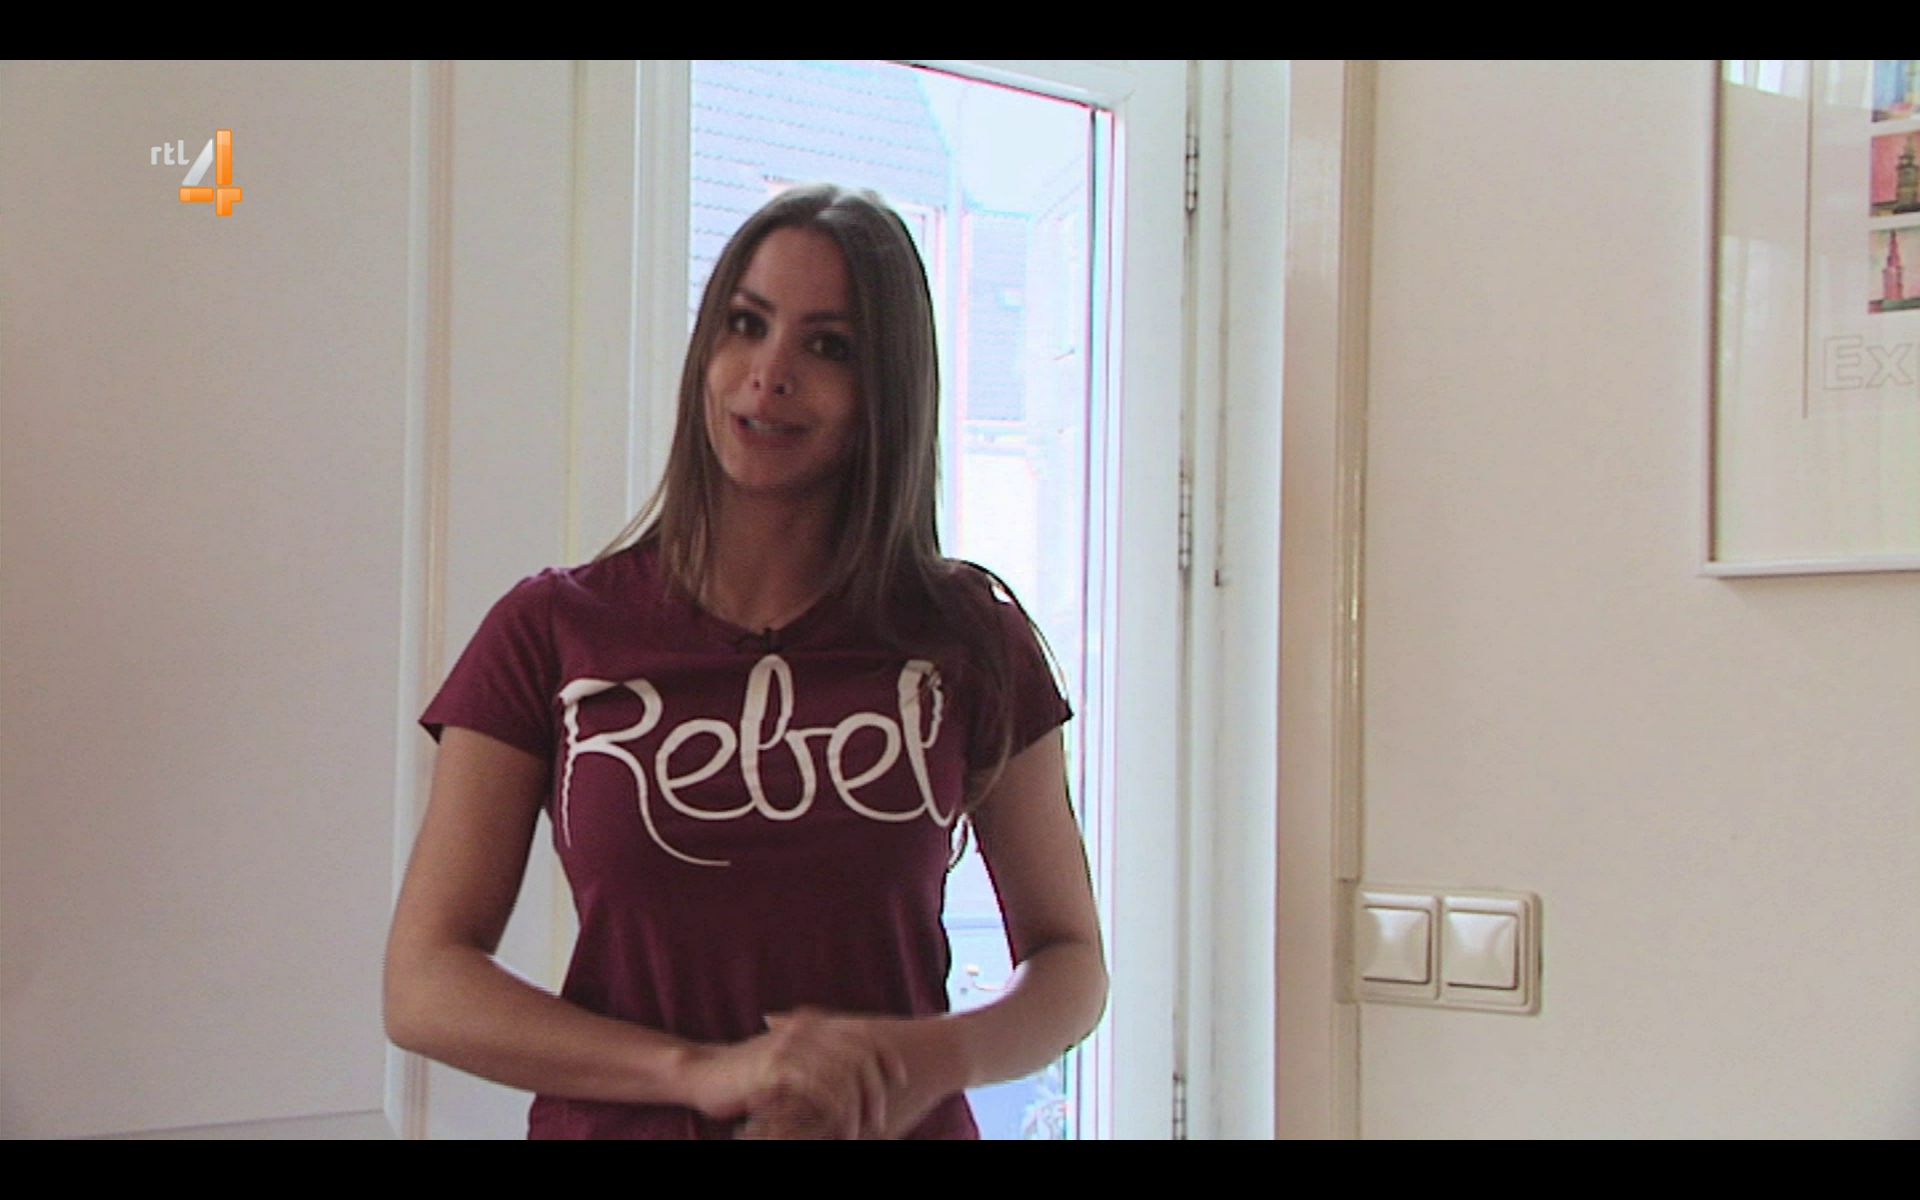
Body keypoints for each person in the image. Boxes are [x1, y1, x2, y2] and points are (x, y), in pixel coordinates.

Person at [382, 183, 1108, 1139]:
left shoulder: (968, 638)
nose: (769, 375)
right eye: (746, 324)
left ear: (886, 390)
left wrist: (924, 1061)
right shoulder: (550, 629)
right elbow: (424, 983)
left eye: (828, 346)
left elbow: (1070, 962)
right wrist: (703, 1073)